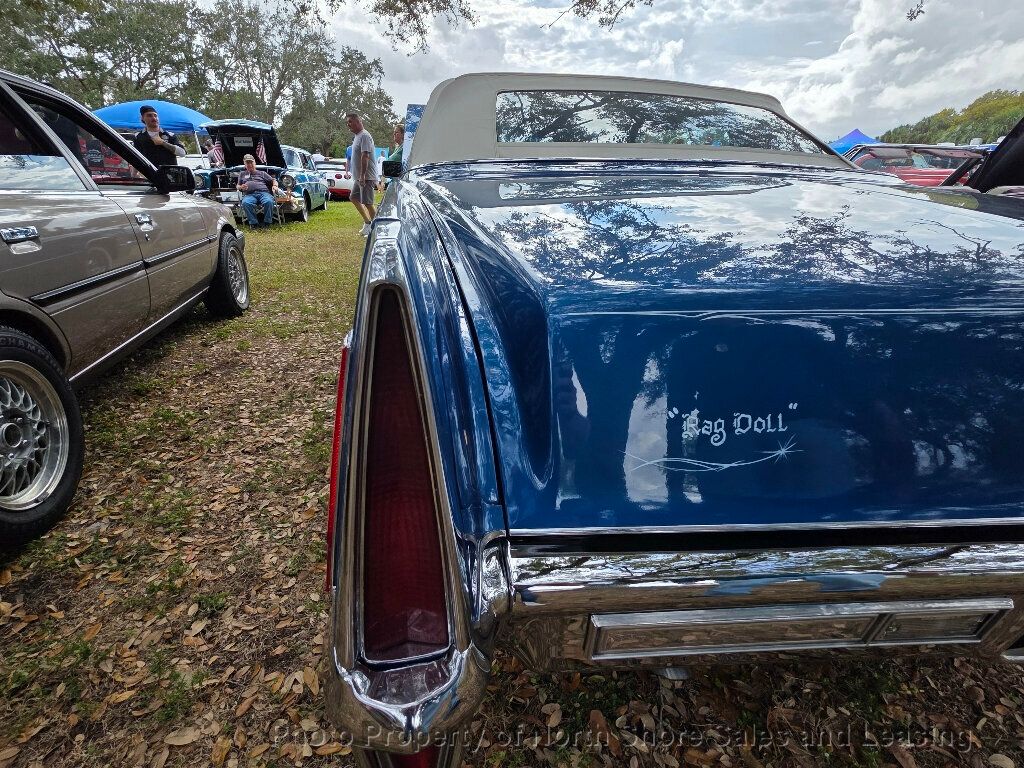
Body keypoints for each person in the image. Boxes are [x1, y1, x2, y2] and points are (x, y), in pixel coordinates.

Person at [344, 111, 378, 235]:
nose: (348, 125)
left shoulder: (365, 136)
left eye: (350, 122)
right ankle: (367, 223)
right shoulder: (357, 136)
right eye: (347, 123)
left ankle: (376, 230)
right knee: (353, 198)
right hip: (359, 177)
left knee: (368, 203)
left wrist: (363, 175)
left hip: (366, 177)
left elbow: (365, 156)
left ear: (358, 121)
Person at [237, 153, 279, 227]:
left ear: (255, 163)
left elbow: (273, 180)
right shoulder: (242, 174)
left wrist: (275, 185)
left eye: (251, 162)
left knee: (268, 201)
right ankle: (253, 223)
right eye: (247, 163)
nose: (249, 164)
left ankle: (267, 222)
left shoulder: (262, 173)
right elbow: (238, 185)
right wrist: (241, 187)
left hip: (263, 193)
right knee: (246, 203)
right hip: (249, 194)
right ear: (245, 164)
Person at [379, 122, 405, 191]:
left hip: (400, 183)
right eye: (394, 132)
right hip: (393, 181)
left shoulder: (405, 148)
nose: (394, 134)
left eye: (397, 132)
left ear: (403, 134)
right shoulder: (397, 147)